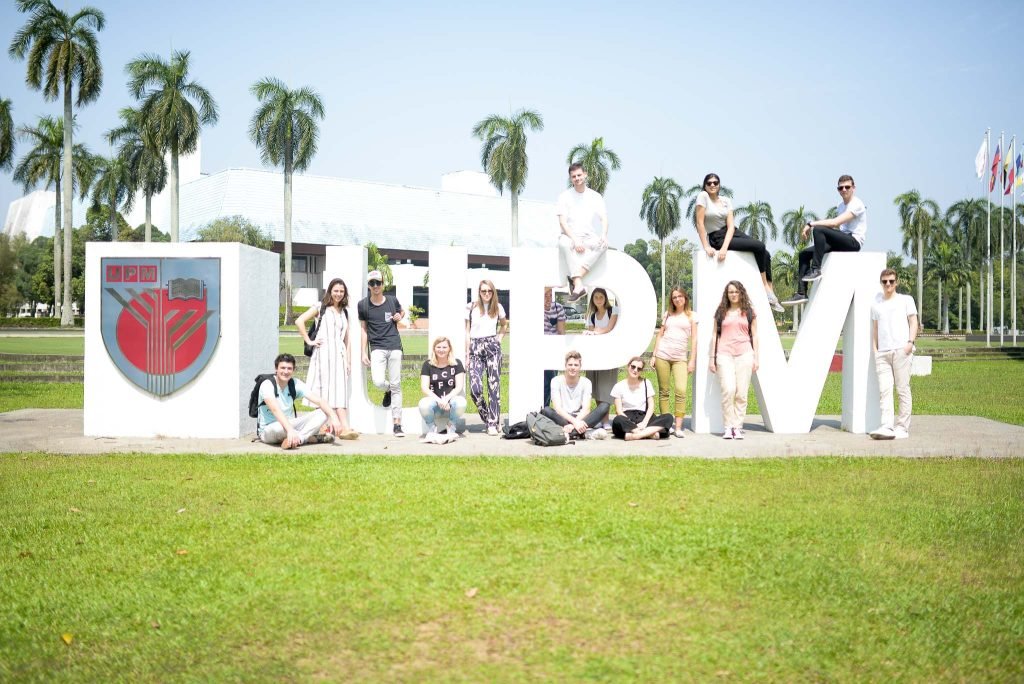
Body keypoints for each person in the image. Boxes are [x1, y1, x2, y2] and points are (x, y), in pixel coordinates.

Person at [694, 173, 784, 313]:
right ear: (705, 185)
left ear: (719, 185)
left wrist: (725, 247)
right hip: (716, 237)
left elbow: (730, 226)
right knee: (759, 246)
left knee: (764, 252)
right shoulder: (703, 197)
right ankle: (765, 287)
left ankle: (770, 293)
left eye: (715, 182)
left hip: (732, 232)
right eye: (709, 183)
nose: (712, 185)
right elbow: (700, 223)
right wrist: (707, 246)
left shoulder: (726, 200)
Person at [782, 174, 868, 305]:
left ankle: (816, 269)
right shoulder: (840, 205)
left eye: (847, 187)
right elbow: (839, 227)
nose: (844, 190)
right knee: (804, 254)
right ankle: (801, 293)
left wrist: (810, 224)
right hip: (842, 239)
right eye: (841, 188)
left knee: (819, 229)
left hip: (853, 242)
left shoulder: (857, 204)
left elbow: (834, 223)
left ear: (853, 188)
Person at [296, 278, 358, 440]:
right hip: (322, 355)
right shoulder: (320, 307)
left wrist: (349, 360)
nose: (338, 294)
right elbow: (299, 321)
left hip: (339, 355)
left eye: (341, 291)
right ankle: (329, 425)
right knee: (323, 389)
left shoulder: (345, 312)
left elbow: (347, 338)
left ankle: (344, 427)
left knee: (339, 390)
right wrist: (309, 340)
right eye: (336, 290)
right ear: (330, 291)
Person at [869, 269, 919, 440]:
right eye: (884, 281)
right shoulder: (876, 304)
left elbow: (914, 322)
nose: (888, 284)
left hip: (901, 350)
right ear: (881, 283)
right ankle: (887, 426)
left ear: (896, 282)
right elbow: (875, 329)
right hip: (882, 353)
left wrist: (909, 344)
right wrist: (875, 350)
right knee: (885, 391)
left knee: (902, 389)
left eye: (891, 281)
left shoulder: (906, 300)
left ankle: (902, 428)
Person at [256, 353, 342, 449]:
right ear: (276, 369)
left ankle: (299, 439)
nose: (286, 371)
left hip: (291, 425)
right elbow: (275, 410)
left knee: (323, 412)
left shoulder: (295, 383)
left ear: (293, 370)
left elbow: (320, 401)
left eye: (289, 368)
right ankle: (310, 437)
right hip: (269, 429)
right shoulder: (267, 385)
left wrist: (334, 418)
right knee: (278, 429)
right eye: (283, 368)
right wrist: (290, 430)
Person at [358, 269, 406, 437]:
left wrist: (399, 316)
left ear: (383, 284)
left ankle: (397, 424)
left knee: (396, 384)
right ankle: (388, 390)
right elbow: (363, 329)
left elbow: (402, 311)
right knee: (378, 382)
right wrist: (363, 351)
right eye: (372, 283)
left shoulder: (392, 300)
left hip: (394, 346)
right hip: (376, 347)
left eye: (378, 282)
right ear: (369, 286)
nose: (376, 286)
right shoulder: (363, 305)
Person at [710, 281, 759, 440]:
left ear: (741, 292)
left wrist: (756, 357)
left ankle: (737, 427)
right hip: (724, 355)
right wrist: (712, 358)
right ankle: (728, 427)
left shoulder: (749, 311)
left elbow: (755, 335)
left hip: (745, 354)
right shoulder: (721, 312)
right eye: (730, 292)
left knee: (741, 393)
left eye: (736, 291)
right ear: (727, 294)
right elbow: (714, 336)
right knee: (728, 390)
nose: (733, 294)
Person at [557, 163, 608, 302]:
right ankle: (579, 284)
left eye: (579, 175)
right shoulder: (564, 196)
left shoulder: (595, 196)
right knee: (563, 244)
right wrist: (575, 239)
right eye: (573, 176)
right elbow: (562, 222)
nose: (577, 178)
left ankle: (576, 277)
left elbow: (604, 218)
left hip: (589, 236)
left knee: (603, 245)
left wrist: (603, 234)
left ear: (585, 174)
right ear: (570, 178)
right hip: (570, 235)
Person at [652, 286, 698, 437]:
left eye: (680, 296)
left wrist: (692, 360)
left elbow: (694, 340)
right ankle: (666, 425)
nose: (677, 299)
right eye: (674, 297)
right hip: (662, 355)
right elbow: (660, 335)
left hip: (680, 359)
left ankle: (678, 428)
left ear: (685, 298)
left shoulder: (692, 316)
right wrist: (654, 355)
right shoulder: (668, 314)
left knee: (681, 391)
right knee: (664, 391)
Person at [466, 279, 508, 436]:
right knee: (475, 389)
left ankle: (492, 423)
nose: (486, 294)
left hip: (492, 346)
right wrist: (467, 353)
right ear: (479, 292)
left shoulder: (498, 307)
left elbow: (504, 325)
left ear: (493, 292)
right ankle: (489, 417)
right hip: (475, 347)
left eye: (489, 291)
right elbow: (467, 331)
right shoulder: (471, 307)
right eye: (484, 291)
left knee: (494, 386)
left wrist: (499, 339)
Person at [541, 350, 611, 440]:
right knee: (546, 410)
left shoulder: (586, 382)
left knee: (604, 406)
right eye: (570, 365)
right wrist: (575, 423)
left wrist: (575, 423)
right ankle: (584, 434)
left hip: (580, 417)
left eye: (576, 365)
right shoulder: (556, 380)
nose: (573, 368)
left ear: (580, 367)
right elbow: (557, 408)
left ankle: (567, 432)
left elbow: (586, 409)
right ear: (565, 366)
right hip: (563, 418)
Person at [609, 356, 673, 440]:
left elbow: (651, 406)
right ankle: (649, 434)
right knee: (618, 420)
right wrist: (630, 423)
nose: (635, 370)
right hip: (627, 417)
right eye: (633, 367)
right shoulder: (618, 386)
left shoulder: (647, 383)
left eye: (639, 369)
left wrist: (644, 422)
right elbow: (619, 411)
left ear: (641, 371)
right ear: (628, 366)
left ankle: (635, 435)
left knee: (668, 417)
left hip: (644, 416)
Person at [419, 336, 467, 437]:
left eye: (444, 347)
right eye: (438, 347)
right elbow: (424, 388)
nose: (441, 350)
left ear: (449, 349)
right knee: (423, 404)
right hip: (434, 403)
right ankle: (432, 428)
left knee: (461, 402)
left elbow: (459, 386)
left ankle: (451, 426)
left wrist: (446, 399)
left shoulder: (457, 363)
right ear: (434, 349)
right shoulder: (427, 365)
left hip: (450, 403)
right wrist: (439, 400)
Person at [584, 287, 618, 429]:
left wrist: (596, 332)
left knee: (606, 386)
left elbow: (609, 329)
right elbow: (590, 333)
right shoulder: (591, 315)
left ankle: (606, 420)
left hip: (609, 355)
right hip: (594, 356)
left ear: (605, 298)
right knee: (596, 387)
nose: (598, 299)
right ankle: (601, 418)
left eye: (601, 297)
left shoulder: (613, 311)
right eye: (595, 297)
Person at [543, 286, 567, 408]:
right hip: (539, 349)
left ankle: (545, 407)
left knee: (550, 379)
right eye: (545, 295)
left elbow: (561, 331)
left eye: (550, 295)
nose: (548, 298)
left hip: (553, 348)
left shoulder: (558, 308)